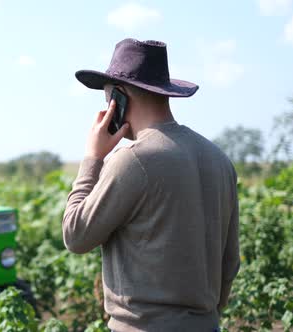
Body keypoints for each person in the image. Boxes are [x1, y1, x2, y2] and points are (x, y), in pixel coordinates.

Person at [62, 38, 240, 331]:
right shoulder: (219, 159)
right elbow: (230, 261)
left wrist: (92, 157)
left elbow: (76, 235)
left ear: (118, 98)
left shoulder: (133, 161)